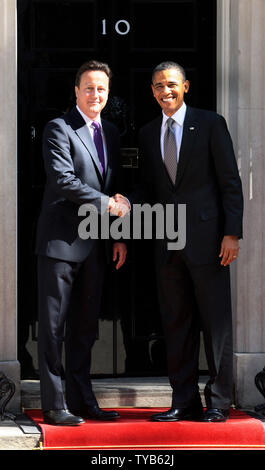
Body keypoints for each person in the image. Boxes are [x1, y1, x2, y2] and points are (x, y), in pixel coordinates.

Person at [118, 61, 243, 422]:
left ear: (185, 86)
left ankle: (218, 402)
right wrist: (127, 203)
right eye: (158, 86)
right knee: (177, 324)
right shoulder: (145, 133)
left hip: (209, 243)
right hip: (167, 244)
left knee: (216, 325)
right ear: (152, 91)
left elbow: (230, 182)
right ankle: (183, 400)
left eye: (171, 84)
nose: (165, 91)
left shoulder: (210, 124)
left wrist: (232, 233)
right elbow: (148, 187)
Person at [35, 60, 130, 425]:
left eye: (101, 89)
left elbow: (116, 187)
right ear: (76, 91)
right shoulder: (58, 128)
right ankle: (54, 405)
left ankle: (82, 399)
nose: (95, 94)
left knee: (86, 327)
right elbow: (63, 180)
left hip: (97, 244)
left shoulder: (112, 133)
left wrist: (119, 236)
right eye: (89, 87)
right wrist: (107, 204)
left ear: (108, 94)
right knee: (54, 326)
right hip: (60, 243)